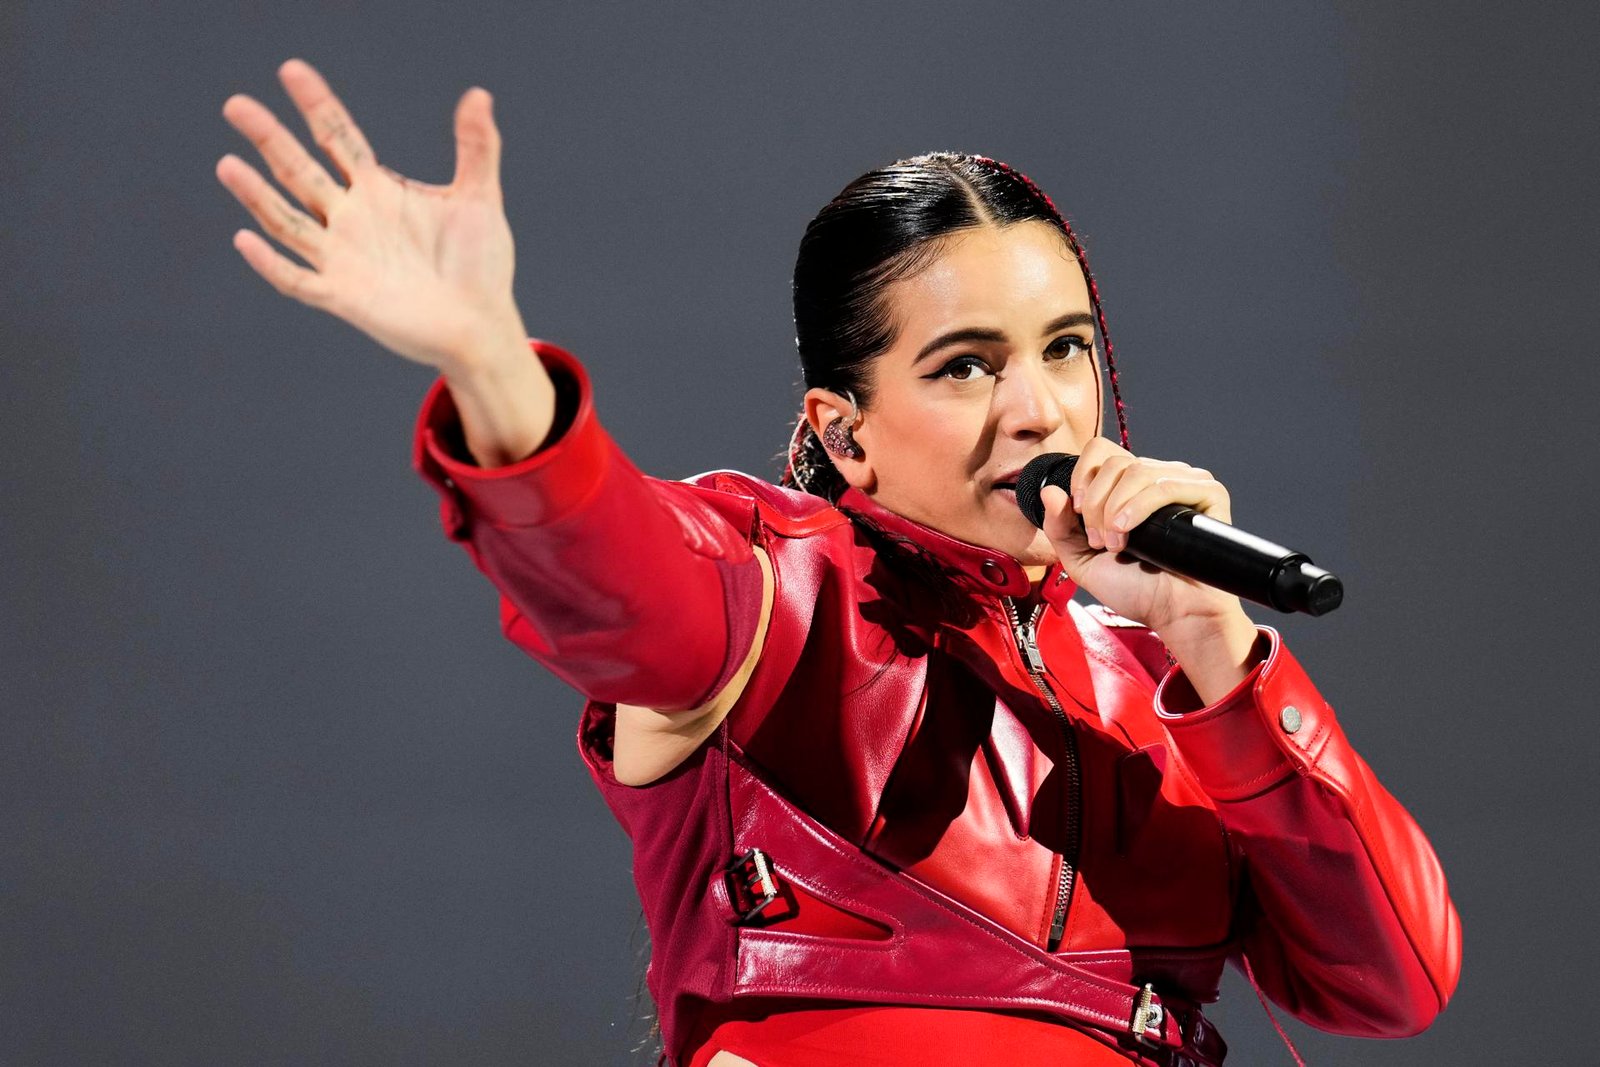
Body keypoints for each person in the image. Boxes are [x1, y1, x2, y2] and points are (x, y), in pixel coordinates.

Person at [216, 59, 1462, 1067]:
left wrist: (1212, 638)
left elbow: (1392, 977)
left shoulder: (1165, 691)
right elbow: (611, 581)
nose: (1037, 410)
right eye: (966, 365)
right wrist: (492, 364)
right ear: (843, 431)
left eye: (1065, 348)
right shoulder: (777, 595)